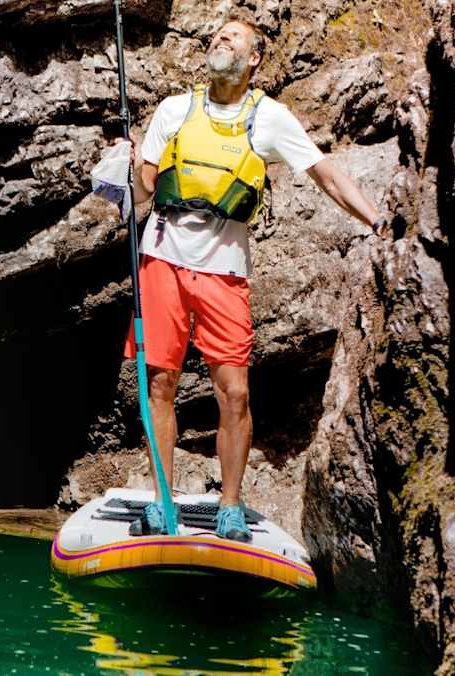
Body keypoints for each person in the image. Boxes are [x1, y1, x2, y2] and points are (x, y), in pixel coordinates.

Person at [121, 16, 386, 542]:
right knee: (160, 385)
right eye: (216, 34)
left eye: (233, 37)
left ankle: (232, 505)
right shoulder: (174, 110)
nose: (219, 39)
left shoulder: (270, 118)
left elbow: (326, 174)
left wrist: (376, 219)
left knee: (235, 393)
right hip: (162, 261)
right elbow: (144, 191)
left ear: (254, 58)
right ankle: (163, 501)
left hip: (224, 271)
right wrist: (129, 160)